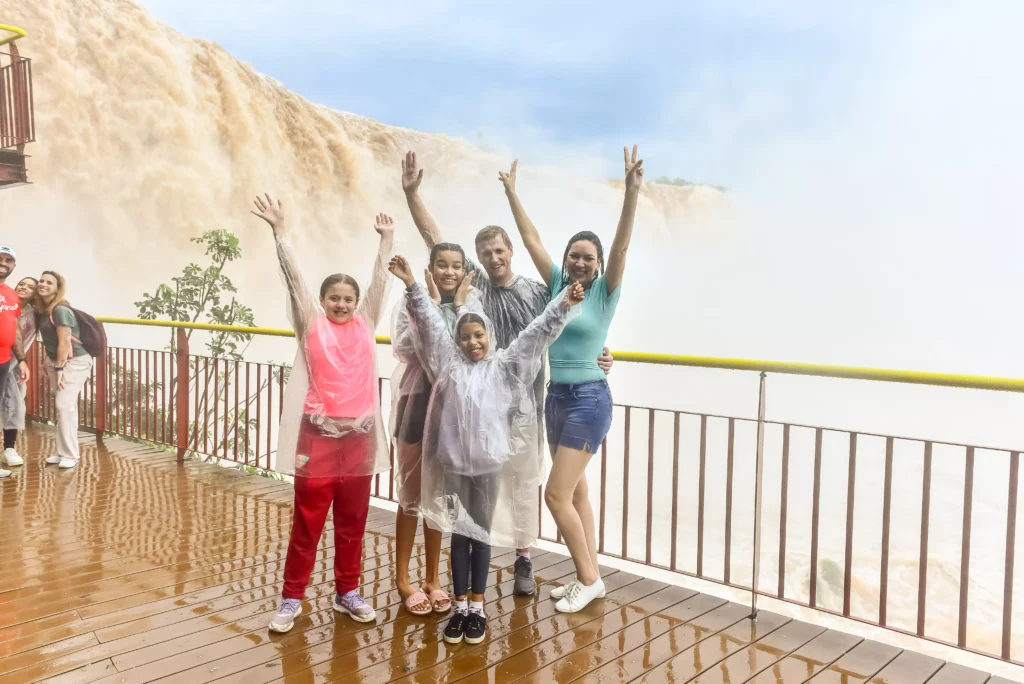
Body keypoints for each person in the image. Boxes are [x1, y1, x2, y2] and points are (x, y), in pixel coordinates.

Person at [401, 152, 614, 596]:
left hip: (530, 403)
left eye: (499, 250)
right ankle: (478, 564)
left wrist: (601, 354)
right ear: (478, 260)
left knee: (524, 482)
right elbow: (436, 241)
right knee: (486, 484)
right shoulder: (475, 286)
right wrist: (412, 196)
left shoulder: (537, 290)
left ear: (510, 251)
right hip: (484, 403)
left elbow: (565, 325)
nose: (493, 257)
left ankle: (523, 558)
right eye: (485, 253)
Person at [388, 254, 584, 645]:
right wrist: (411, 284)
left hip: (488, 467)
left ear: (489, 336)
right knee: (460, 537)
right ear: (457, 341)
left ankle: (477, 607)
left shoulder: (504, 367)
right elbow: (431, 325)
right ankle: (460, 606)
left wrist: (563, 303)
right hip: (455, 467)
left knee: (481, 537)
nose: (473, 342)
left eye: (479, 335)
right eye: (465, 337)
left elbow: (536, 334)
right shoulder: (448, 365)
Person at [498, 145, 643, 613]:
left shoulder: (604, 292)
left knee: (555, 494)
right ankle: (589, 572)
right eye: (574, 256)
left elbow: (621, 246)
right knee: (576, 492)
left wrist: (632, 192)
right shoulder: (559, 285)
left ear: (598, 264)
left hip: (588, 399)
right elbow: (530, 238)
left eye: (588, 258)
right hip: (556, 397)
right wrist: (511, 191)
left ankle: (588, 580)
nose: (580, 263)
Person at [250, 194, 393, 634]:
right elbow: (294, 281)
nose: (342, 305)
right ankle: (292, 598)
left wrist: (386, 241)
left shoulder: (366, 323)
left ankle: (347, 592)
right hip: (317, 436)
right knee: (307, 523)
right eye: (335, 298)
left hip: (359, 438)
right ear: (323, 300)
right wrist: (280, 233)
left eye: (348, 299)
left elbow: (380, 283)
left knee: (353, 522)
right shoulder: (311, 323)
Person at [389, 242, 477, 615]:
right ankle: (402, 579)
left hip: (450, 412)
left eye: (456, 265)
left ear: (464, 271)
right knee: (411, 496)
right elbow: (405, 347)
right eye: (442, 264)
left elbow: (470, 351)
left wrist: (451, 309)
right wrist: (433, 306)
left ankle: (432, 578)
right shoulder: (412, 300)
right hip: (416, 403)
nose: (449, 272)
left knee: (437, 497)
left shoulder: (470, 305)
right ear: (430, 268)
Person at [34, 271, 92, 470]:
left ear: (57, 289)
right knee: (66, 407)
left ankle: (70, 454)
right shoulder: (44, 309)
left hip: (74, 361)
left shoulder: (60, 310)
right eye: (41, 281)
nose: (43, 284)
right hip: (56, 361)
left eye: (49, 283)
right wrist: (47, 361)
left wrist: (59, 367)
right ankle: (62, 452)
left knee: (64, 405)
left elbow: (65, 341)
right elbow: (51, 341)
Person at [1, 277, 38, 471]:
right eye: (22, 284)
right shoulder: (5, 303)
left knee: (15, 401)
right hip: (3, 360)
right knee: (13, 402)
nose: (24, 287)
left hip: (14, 364)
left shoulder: (35, 314)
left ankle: (9, 448)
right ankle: (9, 449)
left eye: (30, 287)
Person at [0, 246, 31, 479]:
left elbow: (16, 329)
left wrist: (21, 359)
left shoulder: (11, 295)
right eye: (0, 258)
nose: (3, 263)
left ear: (13, 266)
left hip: (3, 361)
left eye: (8, 260)